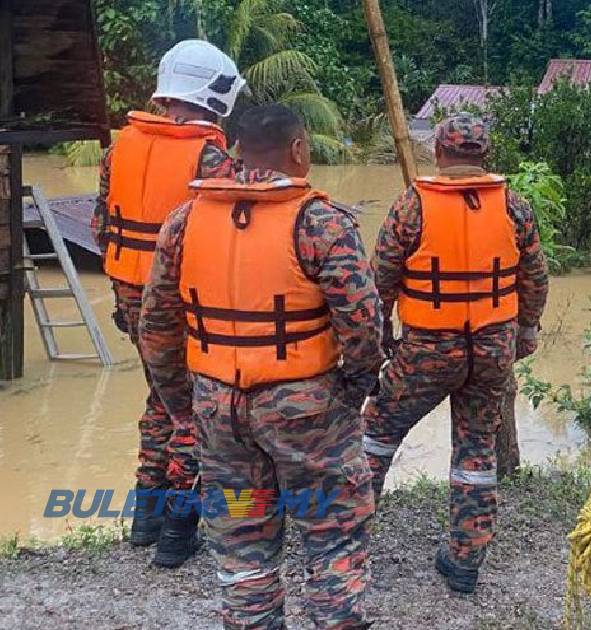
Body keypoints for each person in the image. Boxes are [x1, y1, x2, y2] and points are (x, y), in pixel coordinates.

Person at [140, 104, 382, 629]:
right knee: (332, 530)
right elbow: (363, 326)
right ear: (298, 149)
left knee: (243, 541)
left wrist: (186, 403)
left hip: (216, 404)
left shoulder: (184, 221)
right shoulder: (322, 222)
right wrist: (352, 390)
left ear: (234, 150)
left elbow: (156, 325)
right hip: (308, 405)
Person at [362, 112, 549, 594]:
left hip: (426, 349)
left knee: (377, 433)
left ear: (440, 153)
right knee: (476, 450)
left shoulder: (411, 206)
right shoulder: (514, 207)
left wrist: (377, 342)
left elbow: (377, 283)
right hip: (491, 349)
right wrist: (525, 330)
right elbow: (535, 279)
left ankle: (348, 538)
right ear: (485, 155)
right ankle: (466, 557)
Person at [90, 39, 246, 566]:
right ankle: (179, 530)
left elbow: (99, 227)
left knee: (162, 399)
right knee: (192, 412)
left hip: (130, 298)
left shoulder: (120, 146)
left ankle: (145, 518)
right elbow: (231, 241)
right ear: (213, 93)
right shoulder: (209, 156)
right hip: (184, 306)